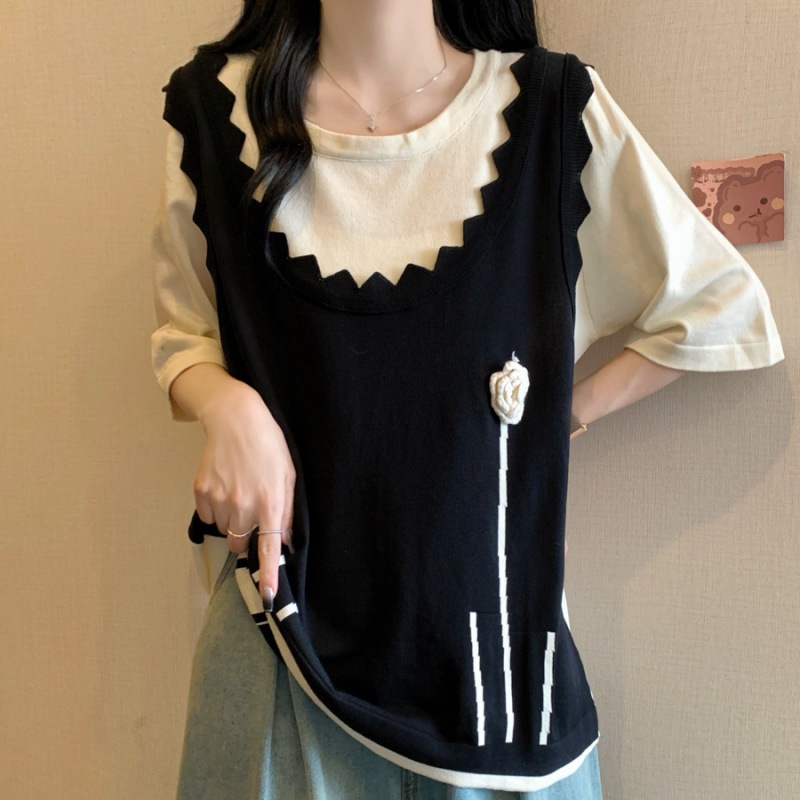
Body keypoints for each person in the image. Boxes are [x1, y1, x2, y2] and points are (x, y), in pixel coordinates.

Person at [149, 1, 785, 798]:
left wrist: (554, 419)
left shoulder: (552, 110)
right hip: (281, 651)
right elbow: (183, 333)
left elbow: (717, 306)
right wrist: (225, 405)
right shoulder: (211, 112)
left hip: (499, 686)